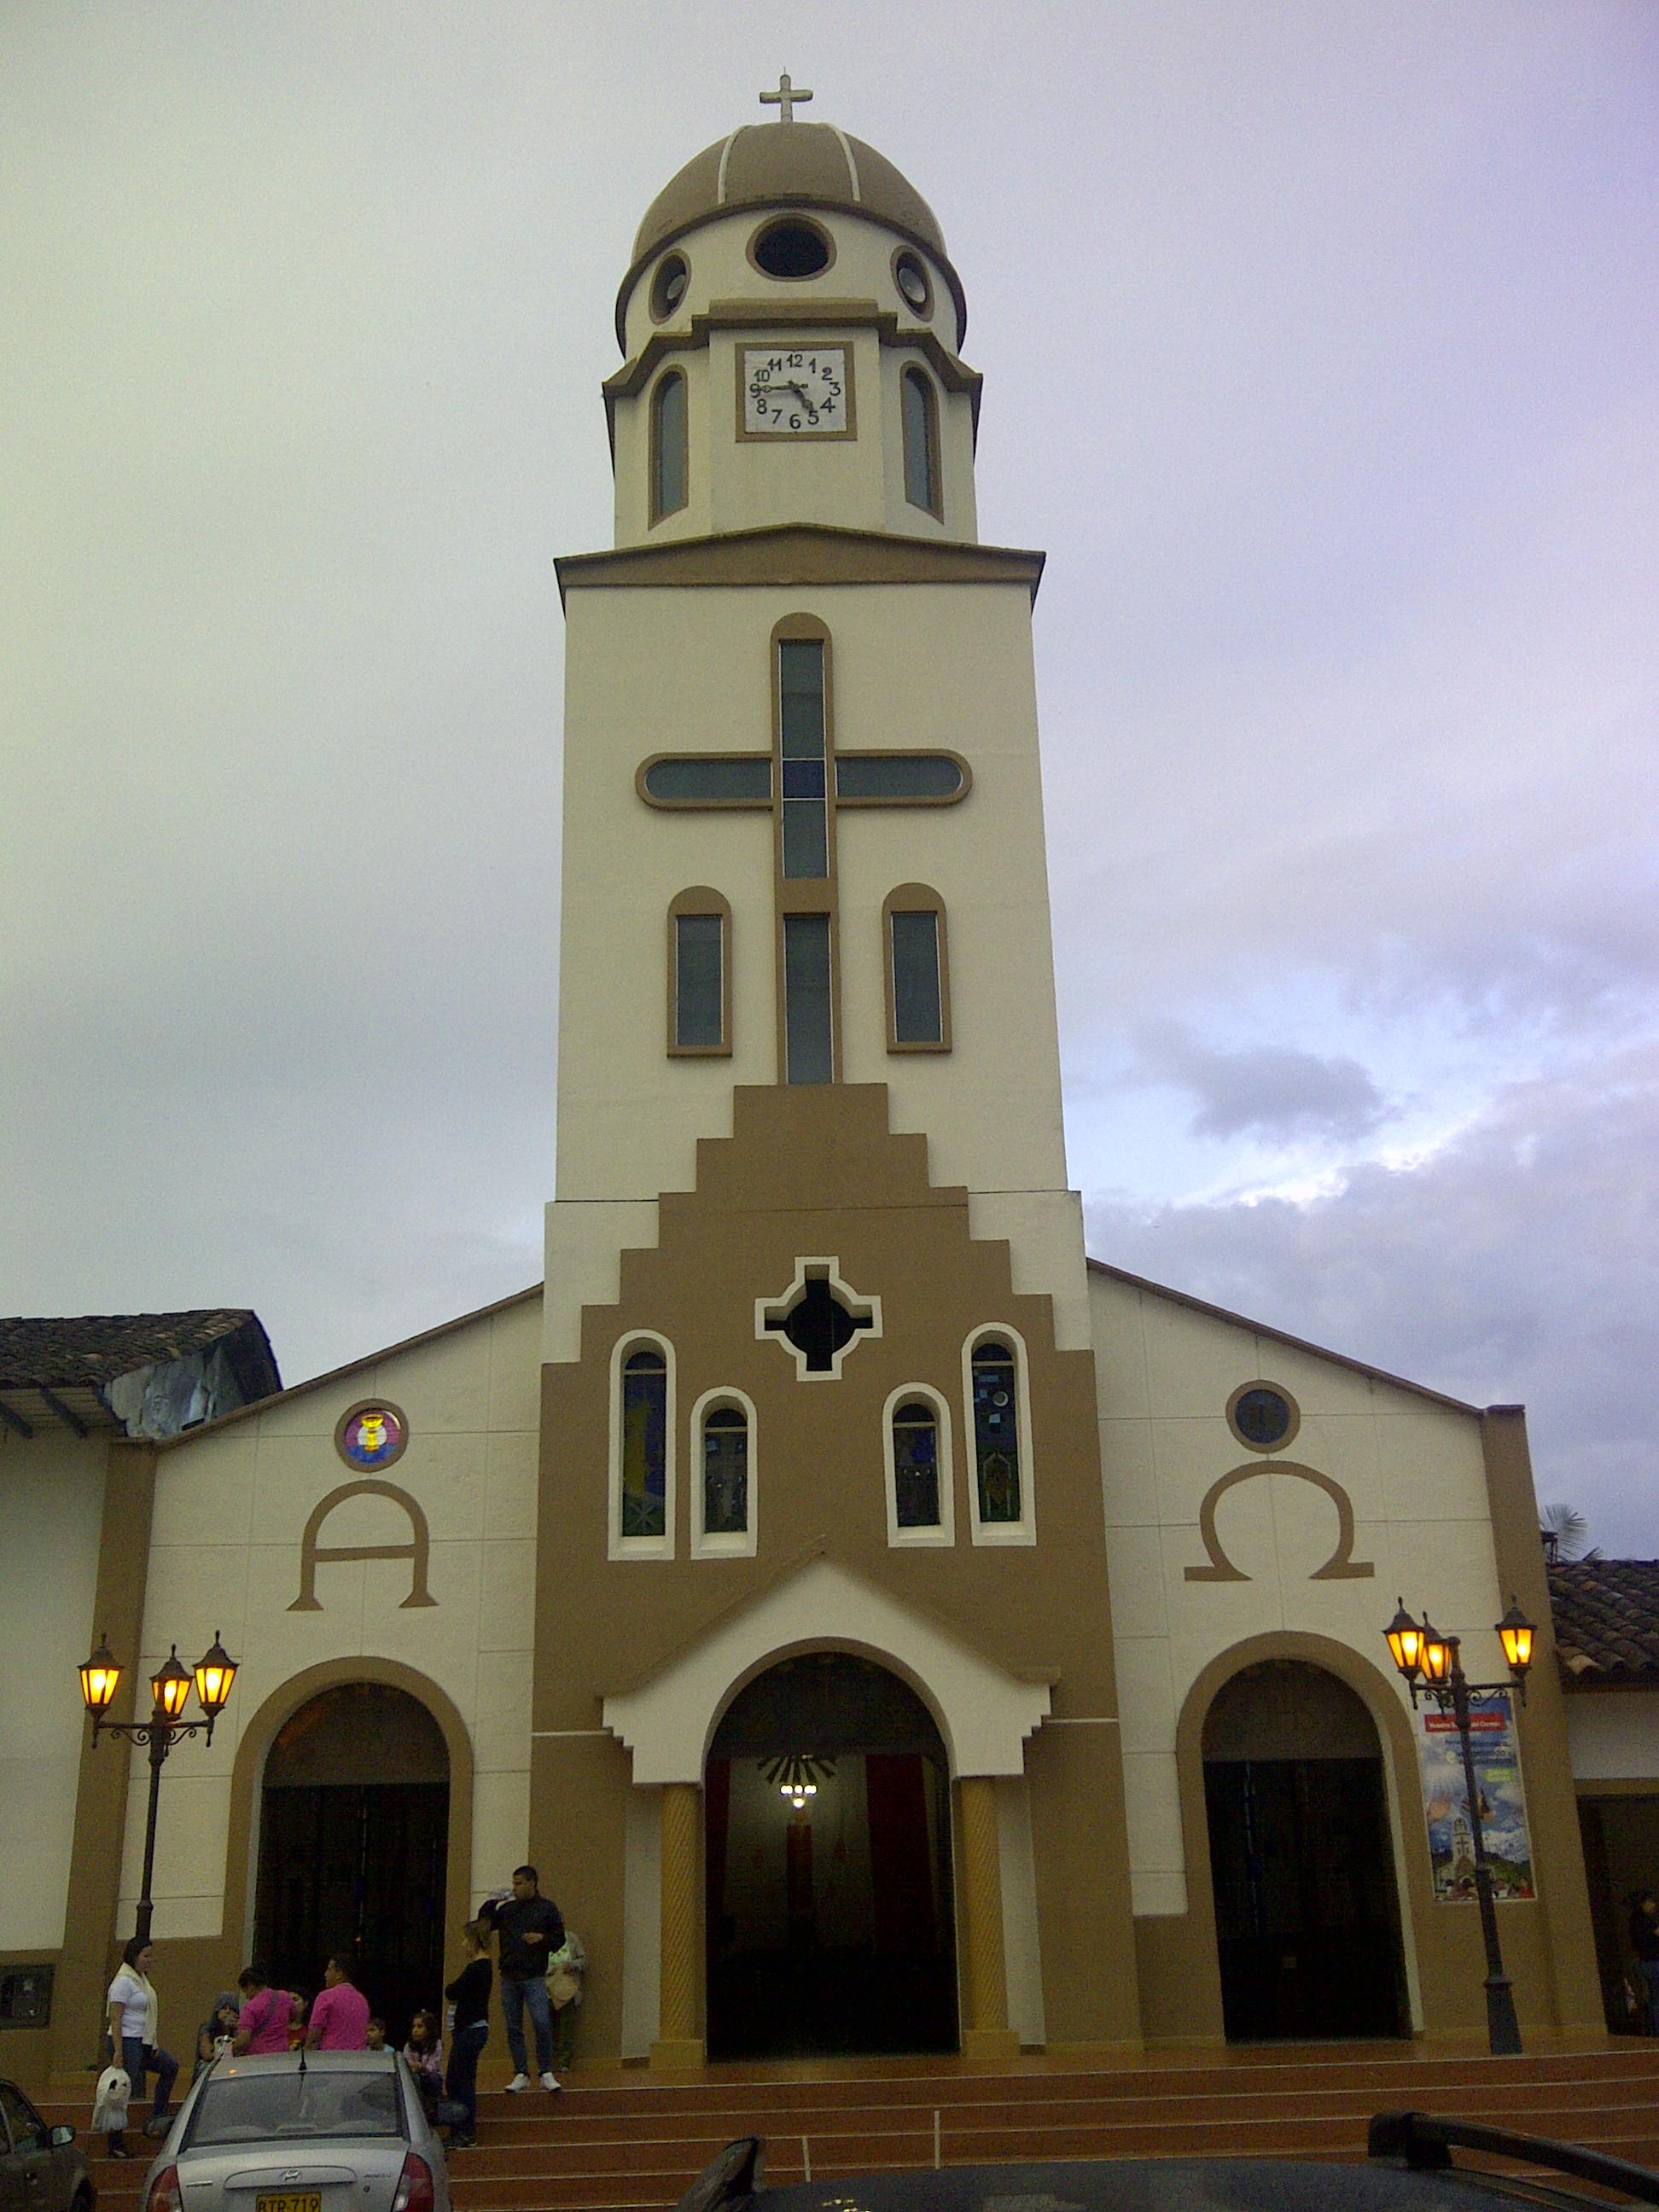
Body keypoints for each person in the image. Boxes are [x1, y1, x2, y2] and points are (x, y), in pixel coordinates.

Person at [104, 1937, 178, 2157]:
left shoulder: (140, 1980)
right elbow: (115, 2019)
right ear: (133, 1956)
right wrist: (118, 2051)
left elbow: (147, 2016)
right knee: (123, 2090)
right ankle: (115, 2143)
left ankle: (158, 2118)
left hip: (143, 2041)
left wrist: (152, 2042)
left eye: (150, 1955)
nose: (149, 1960)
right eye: (146, 1956)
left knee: (170, 2067)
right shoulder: (122, 1982)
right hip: (127, 2041)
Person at [494, 1865, 563, 2092]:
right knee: (513, 2026)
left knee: (542, 2022)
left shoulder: (547, 1909)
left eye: (519, 1883)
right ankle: (521, 2072)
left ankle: (545, 2071)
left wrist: (541, 1939)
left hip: (533, 1975)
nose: (515, 1888)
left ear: (532, 1883)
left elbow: (559, 1939)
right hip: (509, 1975)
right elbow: (486, 1923)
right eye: (513, 1883)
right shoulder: (507, 1910)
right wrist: (493, 1902)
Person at [443, 1918, 492, 2149]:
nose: (463, 1944)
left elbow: (453, 1989)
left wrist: (454, 1993)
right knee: (460, 2079)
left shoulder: (477, 1968)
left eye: (465, 1939)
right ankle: (461, 2129)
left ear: (474, 1941)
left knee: (458, 2081)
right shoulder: (482, 1968)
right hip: (471, 2030)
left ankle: (464, 2130)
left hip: (470, 2030)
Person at [545, 1926, 586, 2075]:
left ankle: (564, 2063)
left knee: (566, 2029)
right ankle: (546, 2064)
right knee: (545, 2029)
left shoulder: (572, 1939)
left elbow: (583, 1960)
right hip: (547, 1991)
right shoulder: (542, 1941)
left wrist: (573, 1965)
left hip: (568, 1990)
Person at [306, 1955, 370, 2050]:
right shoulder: (362, 1999)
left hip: (331, 2057)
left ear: (339, 1974)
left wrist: (306, 2052)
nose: (325, 1974)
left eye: (329, 1970)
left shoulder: (326, 1996)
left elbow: (314, 2035)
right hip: (358, 2058)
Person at [233, 1966, 294, 2055]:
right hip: (283, 2053)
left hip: (259, 2057)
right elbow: (295, 2014)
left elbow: (244, 2038)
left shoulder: (250, 2007)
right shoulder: (285, 1997)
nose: (246, 1996)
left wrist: (234, 2049)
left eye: (245, 1991)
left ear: (250, 1986)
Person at [402, 2009, 444, 2117]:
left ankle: (434, 2106)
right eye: (414, 2027)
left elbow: (435, 2064)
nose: (415, 2030)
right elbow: (407, 2062)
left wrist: (423, 2068)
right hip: (415, 2075)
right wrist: (414, 2067)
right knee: (415, 2078)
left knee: (434, 2078)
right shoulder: (408, 2046)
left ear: (429, 2029)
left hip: (430, 2076)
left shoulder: (437, 2044)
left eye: (420, 2027)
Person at [194, 1993, 241, 2080]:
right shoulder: (207, 2028)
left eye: (231, 2009)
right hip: (213, 2064)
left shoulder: (239, 2028)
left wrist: (237, 2028)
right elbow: (206, 2054)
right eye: (224, 2008)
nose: (228, 2012)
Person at [1630, 1891, 1659, 2032]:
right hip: (1653, 1962)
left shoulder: (1633, 1922)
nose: (1654, 1905)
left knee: (1652, 1998)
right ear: (1643, 1903)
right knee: (1657, 1999)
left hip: (1643, 1962)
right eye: (1651, 1901)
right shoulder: (1646, 1921)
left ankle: (1653, 2029)